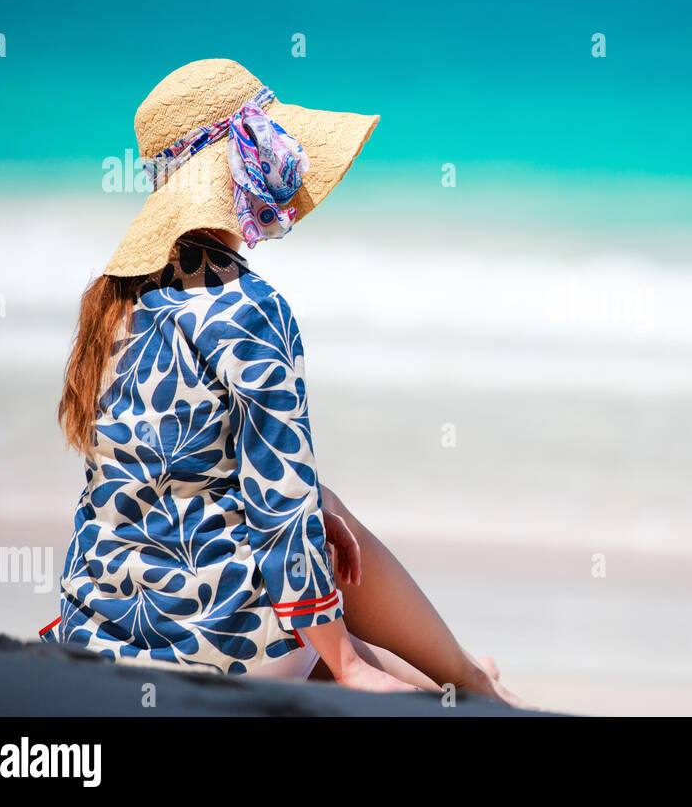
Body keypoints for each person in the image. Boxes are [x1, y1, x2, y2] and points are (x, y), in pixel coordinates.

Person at [48, 58, 528, 707]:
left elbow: (140, 480)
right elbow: (281, 502)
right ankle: (470, 681)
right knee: (315, 522)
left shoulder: (112, 300)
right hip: (212, 649)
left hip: (99, 629)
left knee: (312, 531)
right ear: (247, 163)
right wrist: (346, 662)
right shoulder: (247, 305)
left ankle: (464, 680)